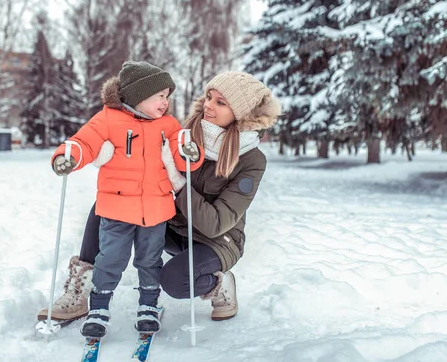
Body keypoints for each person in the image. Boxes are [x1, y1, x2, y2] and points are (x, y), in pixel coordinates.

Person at [38, 70, 280, 327]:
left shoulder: (252, 161)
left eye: (220, 102)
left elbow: (216, 223)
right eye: (209, 97)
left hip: (216, 240)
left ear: (240, 113)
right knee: (111, 204)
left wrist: (177, 182)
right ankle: (81, 288)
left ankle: (221, 284)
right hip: (172, 224)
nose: (208, 105)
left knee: (176, 281)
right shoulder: (186, 132)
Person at [46, 61, 204, 338]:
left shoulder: (169, 125)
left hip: (155, 209)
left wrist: (191, 152)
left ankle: (148, 305)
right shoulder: (108, 119)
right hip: (116, 209)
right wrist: (67, 156)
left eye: (167, 97)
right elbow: (84, 142)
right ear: (139, 95)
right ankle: (99, 307)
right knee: (110, 259)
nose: (165, 103)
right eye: (160, 96)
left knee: (150, 260)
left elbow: (182, 152)